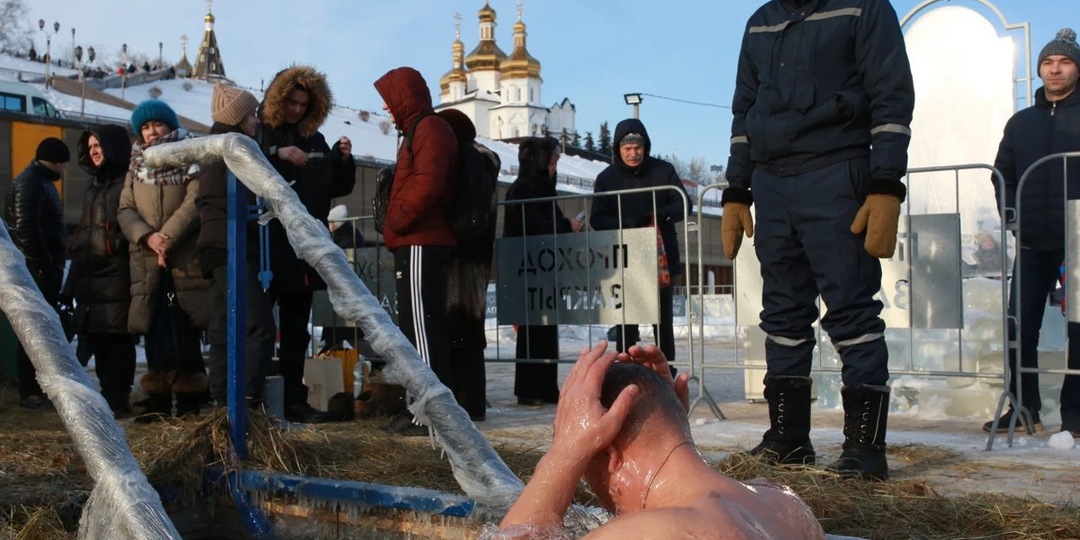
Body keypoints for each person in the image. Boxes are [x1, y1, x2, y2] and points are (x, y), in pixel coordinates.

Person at [723, 0, 915, 480]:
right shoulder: (760, 22)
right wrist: (736, 188)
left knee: (852, 310)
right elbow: (744, 110)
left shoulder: (863, 8)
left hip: (837, 172)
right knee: (783, 313)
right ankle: (788, 439)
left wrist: (886, 182)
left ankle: (864, 449)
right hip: (772, 181)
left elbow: (891, 96)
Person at [498, 342, 825, 539]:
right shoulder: (784, 504)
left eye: (586, 470)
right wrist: (674, 426)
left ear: (610, 454)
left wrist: (564, 456)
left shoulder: (650, 533)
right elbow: (697, 491)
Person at [983, 28, 1080, 437]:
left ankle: (1076, 415)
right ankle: (1024, 409)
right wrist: (1011, 217)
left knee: (1079, 328)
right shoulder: (1021, 122)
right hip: (1032, 239)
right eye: (1048, 62)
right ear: (1040, 69)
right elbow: (1002, 172)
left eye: (1064, 62)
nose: (1055, 69)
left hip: (1079, 239)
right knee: (1019, 324)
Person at [259, 65, 356, 423]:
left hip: (304, 248)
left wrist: (343, 160)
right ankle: (257, 398)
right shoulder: (262, 133)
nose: (298, 110)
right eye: (292, 103)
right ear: (279, 100)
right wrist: (277, 153)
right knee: (261, 327)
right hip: (269, 245)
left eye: (304, 104)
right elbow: (246, 165)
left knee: (297, 329)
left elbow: (335, 186)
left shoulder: (314, 139)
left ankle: (294, 400)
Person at [373, 66, 459, 435]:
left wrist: (398, 220)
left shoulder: (430, 129)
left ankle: (429, 415)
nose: (387, 110)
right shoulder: (416, 131)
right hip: (413, 239)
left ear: (403, 99)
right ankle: (417, 409)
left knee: (422, 331)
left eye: (390, 102)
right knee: (413, 330)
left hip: (421, 239)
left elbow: (428, 184)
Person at [118, 99, 211, 422]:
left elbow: (195, 200)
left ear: (171, 127)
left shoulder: (190, 156)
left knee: (184, 327)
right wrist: (148, 237)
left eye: (157, 125)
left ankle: (189, 397)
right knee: (154, 326)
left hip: (183, 258)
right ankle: (156, 397)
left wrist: (167, 236)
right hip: (147, 258)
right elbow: (125, 209)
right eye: (144, 127)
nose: (151, 132)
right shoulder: (136, 166)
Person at [197, 84, 277, 410]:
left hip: (216, 246)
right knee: (257, 323)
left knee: (224, 324)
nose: (257, 121)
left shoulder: (212, 148)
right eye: (252, 114)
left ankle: (221, 399)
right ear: (239, 118)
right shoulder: (236, 149)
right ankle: (246, 398)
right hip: (234, 243)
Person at [591, 119, 689, 364]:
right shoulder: (607, 178)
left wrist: (662, 214)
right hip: (625, 261)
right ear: (618, 149)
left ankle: (666, 375)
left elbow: (683, 203)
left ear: (645, 147)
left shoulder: (663, 171)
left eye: (638, 148)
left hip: (661, 258)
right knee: (626, 322)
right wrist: (628, 222)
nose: (633, 153)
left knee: (662, 321)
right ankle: (626, 371)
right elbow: (597, 218)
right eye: (627, 149)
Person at [503, 137, 584, 407]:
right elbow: (536, 226)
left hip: (544, 267)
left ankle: (546, 385)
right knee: (532, 330)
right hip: (529, 268)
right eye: (550, 163)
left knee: (547, 329)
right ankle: (528, 388)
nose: (553, 169)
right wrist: (565, 225)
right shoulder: (524, 188)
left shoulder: (541, 188)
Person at [63, 125, 137, 416]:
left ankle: (120, 399)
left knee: (117, 341)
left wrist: (112, 244)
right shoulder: (92, 187)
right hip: (92, 276)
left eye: (99, 145)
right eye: (90, 146)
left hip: (118, 274)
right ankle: (109, 398)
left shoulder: (125, 183)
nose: (93, 151)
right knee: (100, 340)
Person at [440, 109, 501, 421]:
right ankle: (475, 401)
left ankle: (460, 403)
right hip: (478, 257)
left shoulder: (462, 158)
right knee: (471, 328)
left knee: (453, 325)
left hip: (456, 255)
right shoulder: (486, 160)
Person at [3, 137, 70, 410]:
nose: (64, 171)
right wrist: (43, 265)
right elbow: (25, 228)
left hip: (41, 269)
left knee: (40, 331)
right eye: (63, 165)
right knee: (34, 332)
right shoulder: (32, 184)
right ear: (55, 162)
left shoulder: (37, 182)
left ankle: (36, 390)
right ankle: (30, 391)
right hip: (36, 272)